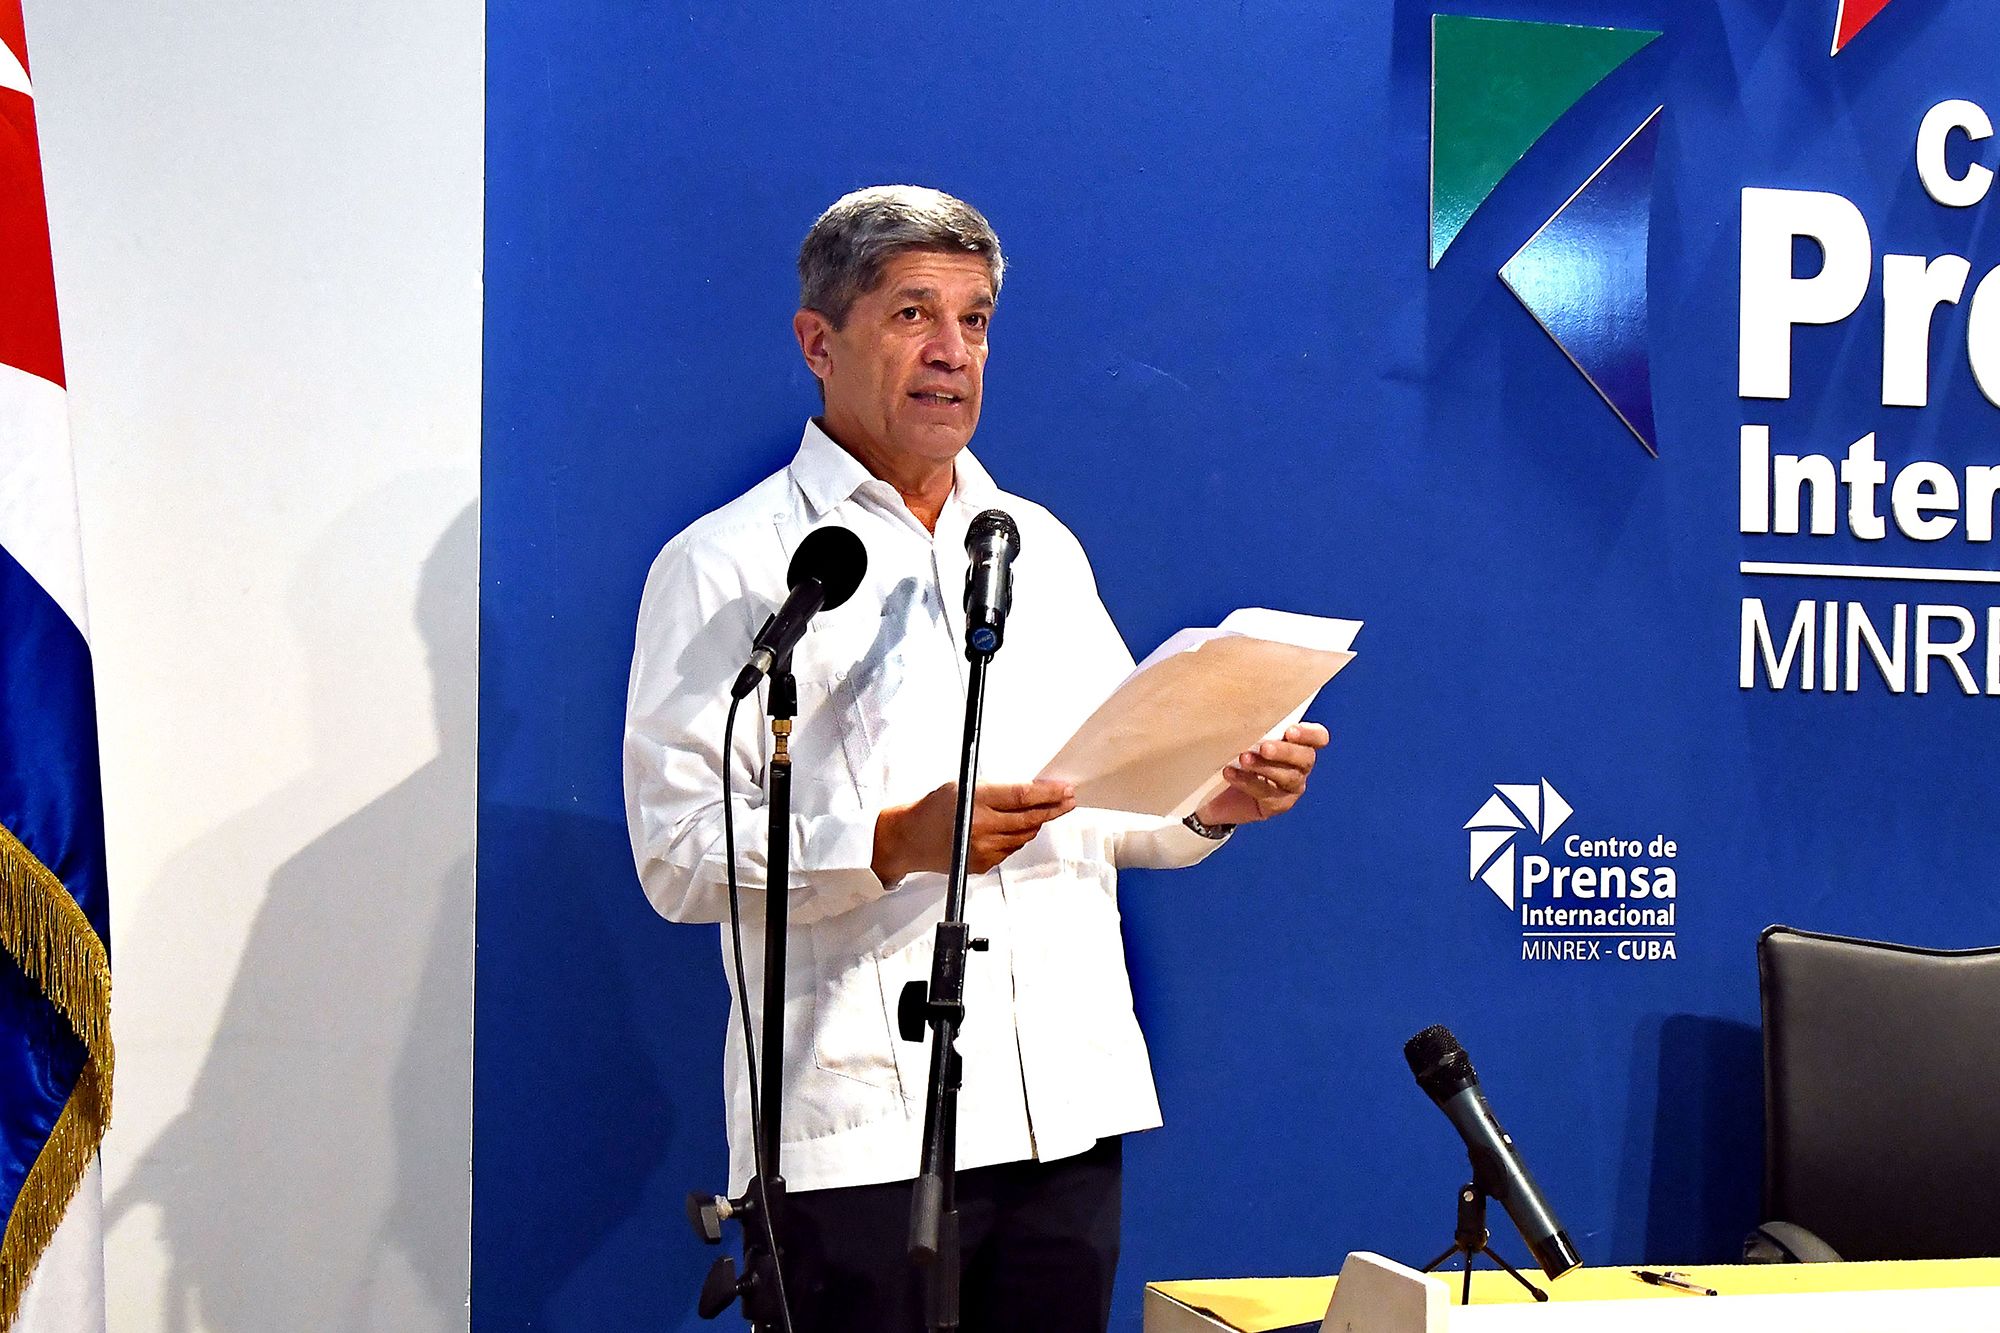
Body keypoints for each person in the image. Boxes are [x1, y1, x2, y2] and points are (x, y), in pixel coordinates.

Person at [623, 185, 1329, 1332]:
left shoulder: (1034, 547)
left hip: (1061, 1109)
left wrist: (1215, 797)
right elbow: (676, 854)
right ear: (818, 341)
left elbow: (1105, 801)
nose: (951, 353)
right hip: (855, 1135)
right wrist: (889, 844)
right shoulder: (730, 566)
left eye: (976, 319)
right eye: (910, 315)